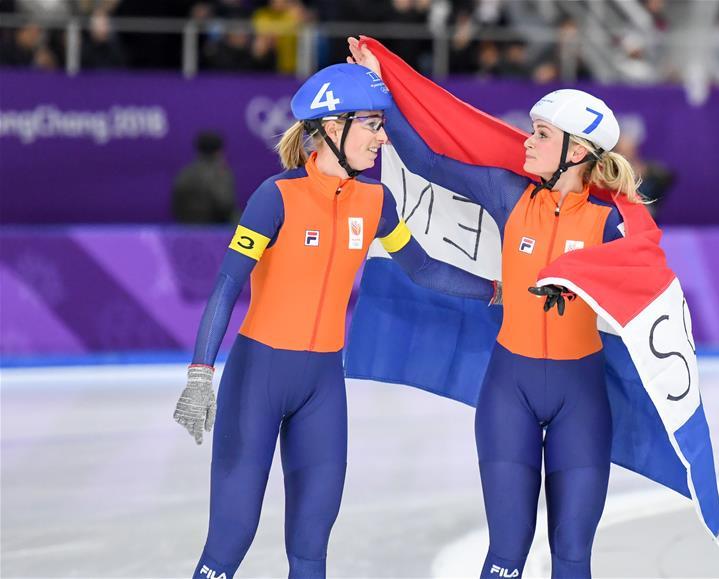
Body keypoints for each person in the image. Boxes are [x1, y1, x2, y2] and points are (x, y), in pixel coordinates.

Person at [172, 63, 498, 579]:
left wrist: (496, 290)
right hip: (258, 378)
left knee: (311, 546)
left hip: (322, 386)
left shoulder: (376, 202)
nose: (383, 137)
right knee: (230, 539)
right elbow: (227, 284)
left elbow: (423, 268)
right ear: (332, 127)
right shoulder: (276, 196)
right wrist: (199, 375)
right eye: (372, 124)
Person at [349, 37, 642, 579]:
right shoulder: (509, 195)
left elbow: (647, 302)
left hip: (581, 399)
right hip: (510, 392)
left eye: (542, 134)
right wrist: (380, 83)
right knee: (506, 555)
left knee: (573, 555)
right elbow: (424, 161)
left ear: (577, 152)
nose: (528, 141)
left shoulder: (611, 225)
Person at [172, 131, 237, 224]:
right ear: (218, 152)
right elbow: (226, 204)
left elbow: (176, 206)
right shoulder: (221, 174)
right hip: (216, 229)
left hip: (185, 227)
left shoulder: (185, 173)